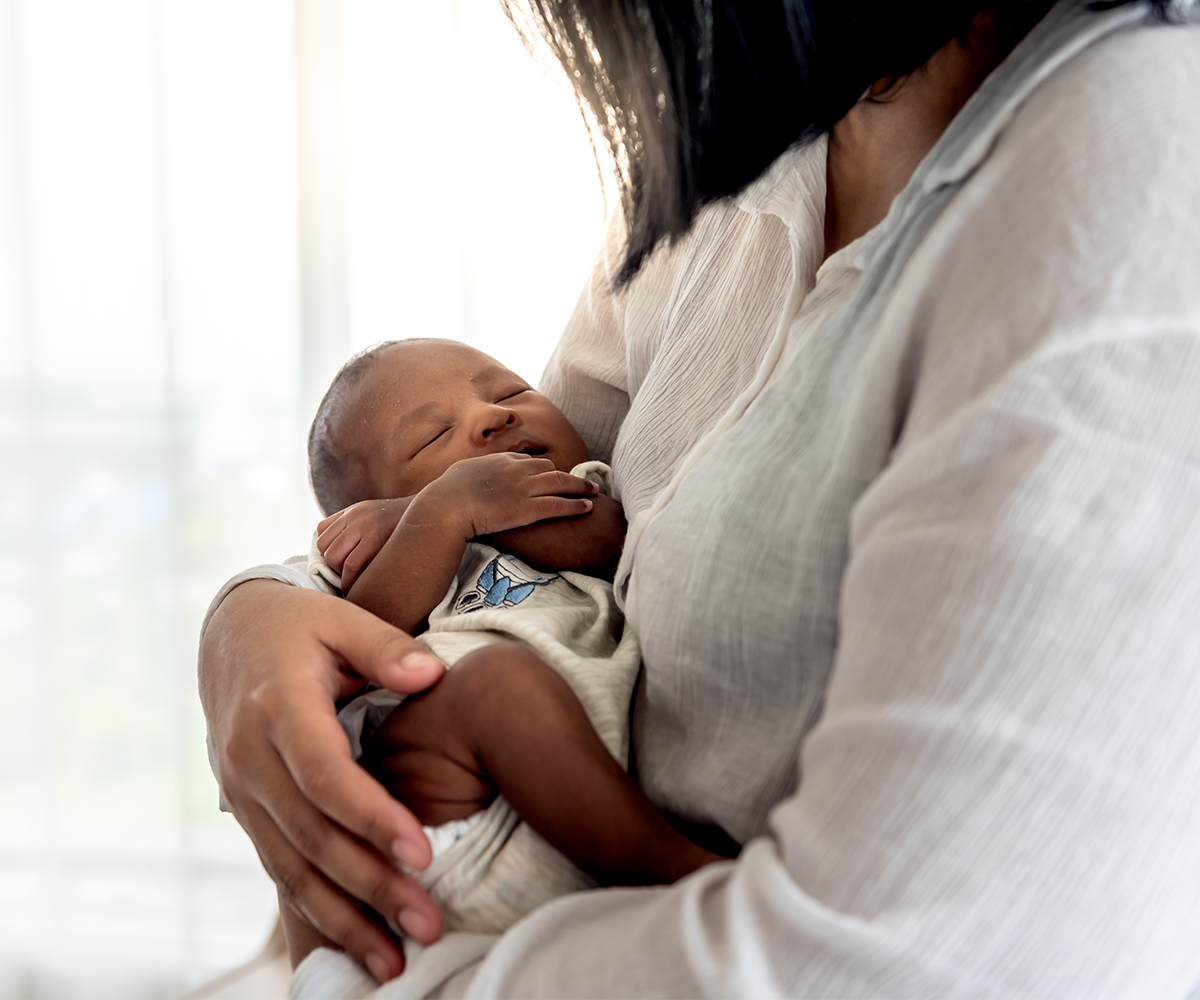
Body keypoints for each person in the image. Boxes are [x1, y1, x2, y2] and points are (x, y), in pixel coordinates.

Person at [198, 0, 1200, 995]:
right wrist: (257, 610)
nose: (497, 417)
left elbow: (890, 964)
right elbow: (458, 493)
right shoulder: (727, 159)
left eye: (498, 394)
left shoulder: (1126, 169)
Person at [289, 337, 718, 949]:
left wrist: (458, 503)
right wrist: (435, 516)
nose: (494, 416)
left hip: (570, 827)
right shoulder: (369, 547)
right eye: (432, 438)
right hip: (445, 805)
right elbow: (361, 638)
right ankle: (681, 872)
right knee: (497, 684)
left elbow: (605, 540)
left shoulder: (580, 488)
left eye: (511, 393)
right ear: (369, 504)